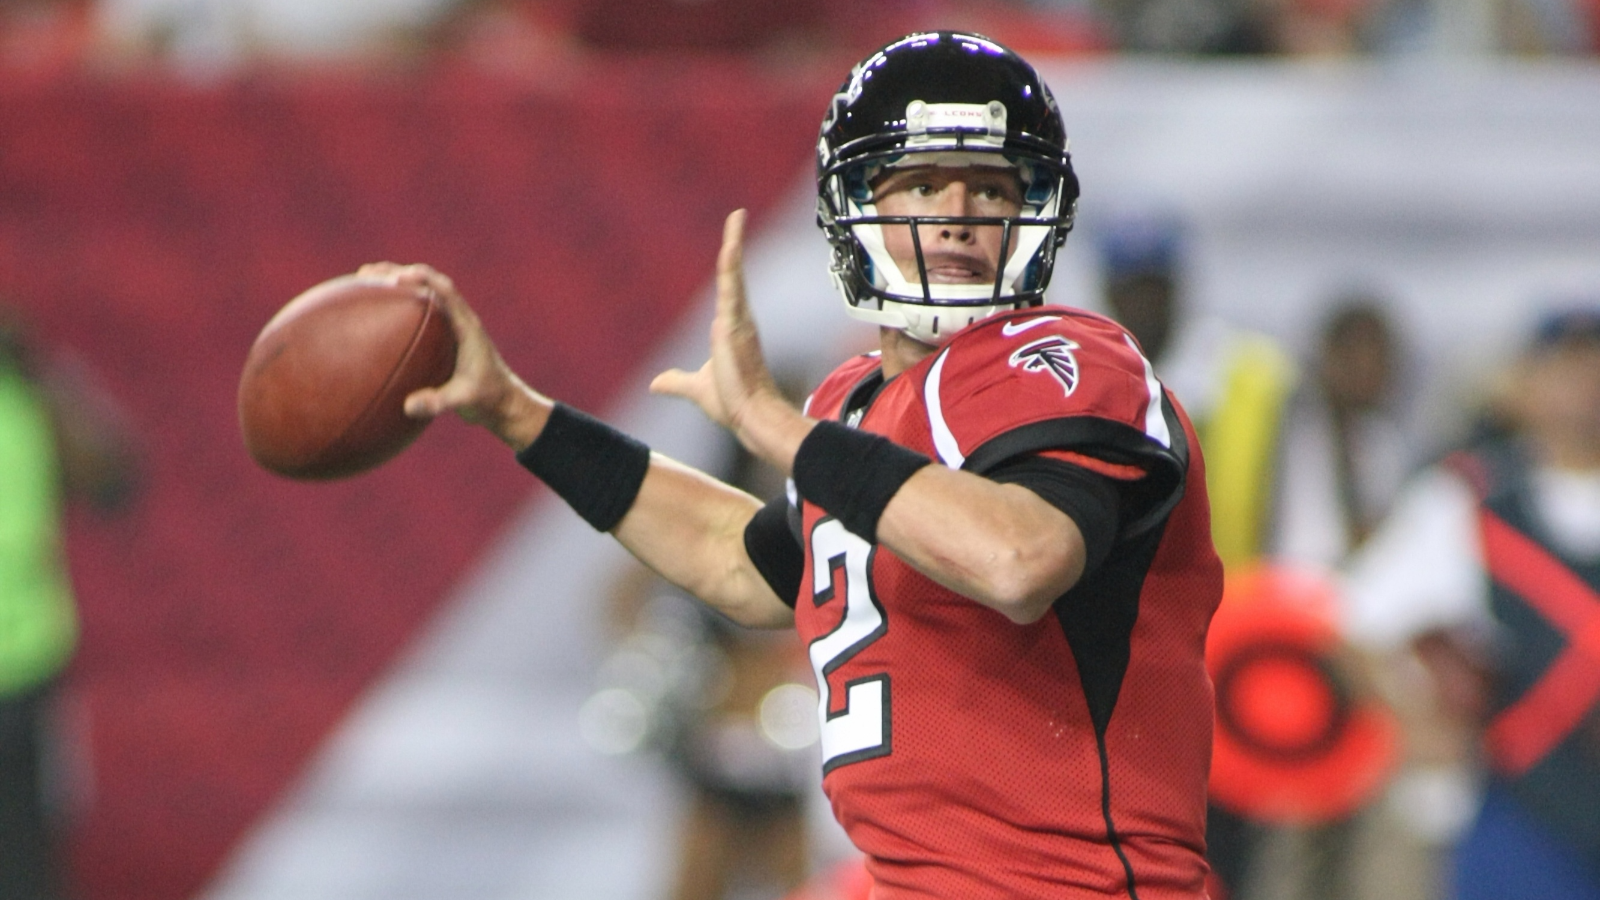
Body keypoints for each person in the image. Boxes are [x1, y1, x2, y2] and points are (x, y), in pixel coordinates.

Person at [377, 32, 1224, 898]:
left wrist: (779, 433)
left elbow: (1021, 559)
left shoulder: (1062, 358)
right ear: (854, 205)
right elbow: (738, 561)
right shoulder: (855, 402)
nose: (960, 211)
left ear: (1032, 213)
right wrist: (519, 414)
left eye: (992, 188)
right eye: (925, 183)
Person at [1342, 306, 1600, 900]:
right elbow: (1352, 619)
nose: (1586, 386)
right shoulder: (1466, 502)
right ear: (1525, 386)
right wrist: (1413, 723)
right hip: (1525, 811)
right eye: (1568, 367)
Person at [1, 306, 137, 900]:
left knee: (28, 867)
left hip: (26, 675)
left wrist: (54, 380)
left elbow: (114, 480)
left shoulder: (27, 392)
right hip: (28, 666)